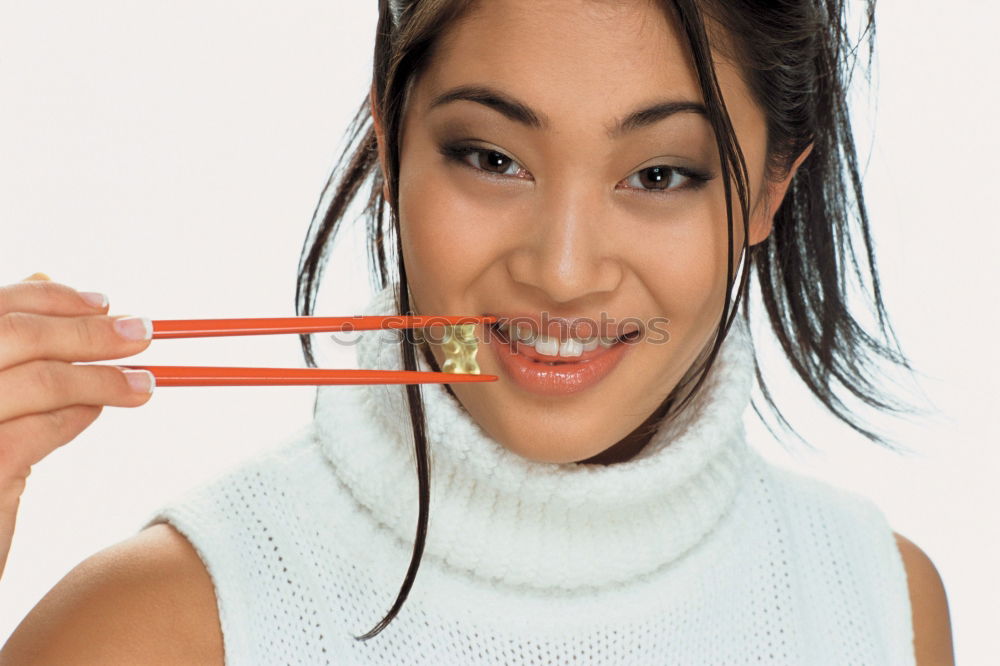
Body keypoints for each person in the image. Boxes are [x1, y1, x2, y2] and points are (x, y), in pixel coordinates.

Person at [0, 0, 954, 663]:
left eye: (661, 174)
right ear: (392, 139)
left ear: (773, 189)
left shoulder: (881, 601)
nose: (565, 271)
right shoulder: (156, 629)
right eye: (492, 158)